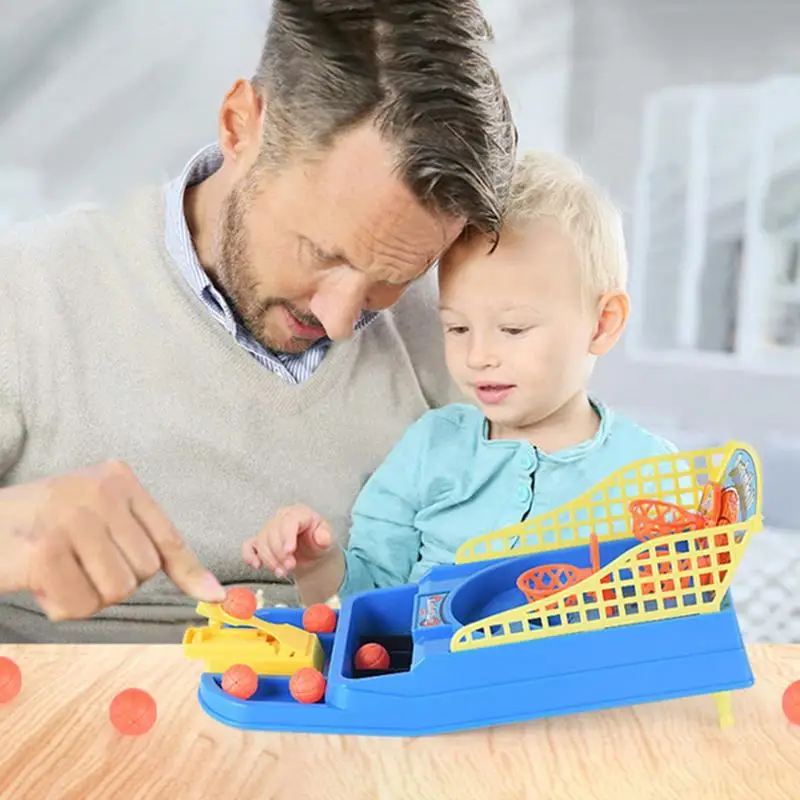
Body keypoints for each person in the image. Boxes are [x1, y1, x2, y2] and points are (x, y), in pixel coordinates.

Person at [0, 1, 516, 643]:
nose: (339, 321)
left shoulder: (462, 344)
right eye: (320, 253)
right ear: (239, 125)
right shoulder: (25, 290)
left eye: (394, 277)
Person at [244, 152, 678, 606]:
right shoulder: (430, 448)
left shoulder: (651, 473)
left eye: (512, 329)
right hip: (431, 672)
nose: (478, 356)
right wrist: (317, 562)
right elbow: (371, 596)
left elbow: (679, 608)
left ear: (602, 324)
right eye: (457, 328)